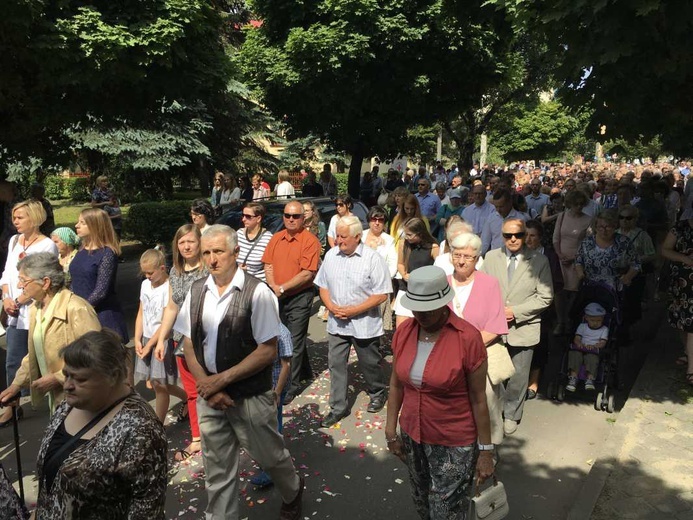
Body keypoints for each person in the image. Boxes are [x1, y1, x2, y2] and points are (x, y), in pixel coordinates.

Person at [175, 225, 304, 519]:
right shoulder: (197, 291)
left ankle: (293, 489)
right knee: (217, 473)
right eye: (206, 252)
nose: (212, 259)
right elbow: (189, 343)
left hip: (249, 397)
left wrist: (219, 382)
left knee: (270, 457)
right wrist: (208, 385)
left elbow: (267, 350)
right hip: (211, 399)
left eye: (218, 251)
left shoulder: (257, 293)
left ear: (235, 252)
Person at [385, 266, 494, 518]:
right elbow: (396, 384)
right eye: (416, 308)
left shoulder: (468, 338)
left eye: (427, 309)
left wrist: (486, 451)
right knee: (422, 500)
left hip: (453, 442)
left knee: (445, 510)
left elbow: (479, 399)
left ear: (444, 303)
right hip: (413, 436)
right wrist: (391, 431)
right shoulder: (404, 332)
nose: (420, 315)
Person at [32, 330, 167, 518]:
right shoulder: (67, 406)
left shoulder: (141, 429)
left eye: (80, 379)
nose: (68, 385)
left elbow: (146, 510)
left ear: (112, 376)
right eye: (66, 375)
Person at [0, 253, 101, 414]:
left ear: (45, 282)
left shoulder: (76, 308)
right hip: (61, 401)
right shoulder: (36, 309)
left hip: (84, 401)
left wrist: (58, 378)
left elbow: (97, 355)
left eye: (24, 280)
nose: (19, 286)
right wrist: (16, 385)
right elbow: (34, 353)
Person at [314, 216, 392, 426]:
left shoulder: (372, 259)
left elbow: (382, 294)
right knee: (336, 364)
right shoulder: (331, 256)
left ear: (358, 237)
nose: (338, 240)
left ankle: (377, 391)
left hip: (364, 323)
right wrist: (331, 307)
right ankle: (337, 407)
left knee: (369, 362)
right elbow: (323, 286)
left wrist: (354, 310)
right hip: (337, 323)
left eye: (343, 236)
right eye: (337, 235)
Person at [482, 219, 553, 435]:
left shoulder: (539, 261)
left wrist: (516, 312)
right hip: (493, 326)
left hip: (524, 327)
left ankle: (512, 414)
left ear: (524, 235)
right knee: (494, 373)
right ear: (501, 236)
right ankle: (495, 411)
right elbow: (482, 289)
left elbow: (546, 296)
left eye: (518, 235)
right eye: (507, 235)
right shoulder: (491, 257)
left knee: (519, 376)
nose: (513, 239)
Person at [447, 233, 509, 446]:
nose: (461, 261)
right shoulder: (443, 285)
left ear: (477, 259)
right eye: (457, 255)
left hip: (481, 359)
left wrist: (465, 348)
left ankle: (488, 454)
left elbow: (496, 327)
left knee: (487, 407)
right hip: (449, 361)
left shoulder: (489, 284)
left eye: (468, 256)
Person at [0, 200, 58, 426]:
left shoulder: (46, 245)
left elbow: (44, 279)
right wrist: (6, 298)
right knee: (13, 361)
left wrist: (19, 299)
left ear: (34, 218)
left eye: (20, 217)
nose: (15, 222)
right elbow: (6, 274)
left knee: (45, 355)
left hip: (34, 309)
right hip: (14, 311)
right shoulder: (15, 240)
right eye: (14, 217)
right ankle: (12, 406)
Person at [155, 224, 207, 461]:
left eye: (191, 242)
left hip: (206, 339)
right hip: (180, 341)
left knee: (214, 388)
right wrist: (161, 339)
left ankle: (224, 434)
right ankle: (197, 438)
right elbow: (171, 306)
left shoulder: (209, 269)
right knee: (192, 392)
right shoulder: (175, 271)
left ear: (200, 243)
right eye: (181, 242)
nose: (186, 246)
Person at [263, 200, 322, 403]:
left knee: (294, 341)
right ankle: (304, 371)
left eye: (295, 216)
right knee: (281, 337)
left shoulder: (310, 241)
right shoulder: (276, 238)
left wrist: (283, 287)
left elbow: (307, 274)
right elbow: (268, 265)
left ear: (303, 218)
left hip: (299, 296)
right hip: (277, 295)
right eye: (287, 215)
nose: (290, 219)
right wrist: (273, 286)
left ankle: (290, 385)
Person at [133, 249, 187, 423]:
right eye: (145, 273)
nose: (147, 276)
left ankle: (158, 423)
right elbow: (141, 313)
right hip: (146, 338)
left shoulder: (168, 287)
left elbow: (166, 320)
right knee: (159, 383)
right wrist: (137, 338)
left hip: (161, 340)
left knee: (159, 385)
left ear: (162, 268)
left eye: (150, 272)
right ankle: (187, 397)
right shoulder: (144, 285)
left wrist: (151, 345)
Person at [70, 208, 129, 354]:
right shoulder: (82, 249)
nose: (76, 225)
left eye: (82, 223)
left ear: (95, 225)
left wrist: (81, 310)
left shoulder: (107, 253)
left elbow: (101, 290)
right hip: (81, 314)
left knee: (108, 364)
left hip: (102, 316)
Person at [249, 323, 294, 488]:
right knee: (263, 426)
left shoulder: (282, 333)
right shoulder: (257, 329)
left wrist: (277, 392)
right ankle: (270, 462)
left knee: (274, 428)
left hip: (275, 387)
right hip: (260, 386)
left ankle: (274, 470)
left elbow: (286, 365)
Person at [524, 220, 563, 399]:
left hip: (542, 307)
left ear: (540, 237)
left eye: (532, 235)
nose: (528, 239)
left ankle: (534, 381)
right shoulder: (519, 254)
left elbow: (556, 282)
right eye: (526, 235)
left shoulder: (549, 255)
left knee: (539, 345)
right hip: (520, 304)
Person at [553, 190, 592, 334]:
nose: (579, 207)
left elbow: (588, 243)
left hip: (578, 261)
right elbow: (556, 237)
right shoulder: (562, 216)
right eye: (576, 204)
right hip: (561, 259)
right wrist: (559, 255)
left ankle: (571, 320)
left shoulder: (588, 220)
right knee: (559, 292)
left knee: (575, 293)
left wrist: (575, 258)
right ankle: (560, 322)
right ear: (570, 204)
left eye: (582, 204)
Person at [661, 212, 693, 386]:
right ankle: (688, 352)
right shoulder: (680, 227)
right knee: (681, 321)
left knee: (691, 325)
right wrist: (683, 258)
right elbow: (665, 249)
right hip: (682, 282)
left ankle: (692, 367)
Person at [575, 209, 640, 292]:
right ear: (595, 227)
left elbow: (636, 263)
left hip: (616, 289)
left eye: (608, 227)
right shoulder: (587, 242)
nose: (604, 230)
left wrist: (627, 277)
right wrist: (581, 275)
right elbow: (578, 260)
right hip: (591, 288)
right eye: (600, 227)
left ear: (614, 226)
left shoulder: (624, 242)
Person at [394, 218, 439, 327]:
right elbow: (400, 263)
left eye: (410, 235)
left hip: (424, 292)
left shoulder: (433, 247)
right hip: (406, 288)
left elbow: (438, 269)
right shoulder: (403, 244)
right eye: (406, 234)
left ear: (419, 233)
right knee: (401, 327)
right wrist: (404, 275)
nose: (407, 237)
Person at [617, 205, 656, 325]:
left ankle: (628, 328)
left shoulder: (642, 235)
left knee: (631, 302)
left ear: (635, 219)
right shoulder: (614, 233)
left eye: (628, 218)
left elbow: (651, 254)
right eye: (621, 217)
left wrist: (636, 260)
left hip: (634, 275)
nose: (624, 220)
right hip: (617, 273)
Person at [362, 206, 397, 333]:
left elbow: (393, 265)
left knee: (377, 320)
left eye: (381, 220)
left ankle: (376, 345)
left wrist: (383, 280)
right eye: (374, 219)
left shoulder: (389, 240)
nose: (377, 223)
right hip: (359, 285)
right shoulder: (360, 236)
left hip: (379, 287)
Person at [567, 302, 609, 392]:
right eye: (593, 320)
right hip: (581, 348)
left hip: (593, 350)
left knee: (592, 358)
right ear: (586, 318)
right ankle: (573, 377)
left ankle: (590, 379)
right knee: (574, 354)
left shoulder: (604, 329)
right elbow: (577, 338)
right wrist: (579, 343)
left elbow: (603, 342)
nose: (595, 323)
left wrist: (595, 346)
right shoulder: (582, 326)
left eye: (599, 321)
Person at [481, 188, 529, 255]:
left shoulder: (521, 219)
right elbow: (485, 241)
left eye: (501, 206)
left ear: (509, 203)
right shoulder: (491, 218)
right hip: (496, 257)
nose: (498, 210)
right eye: (496, 207)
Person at [237, 202, 273, 281]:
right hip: (239, 282)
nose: (243, 219)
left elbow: (270, 268)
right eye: (243, 215)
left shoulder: (268, 238)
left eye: (248, 216)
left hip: (258, 284)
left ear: (259, 219)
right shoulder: (238, 234)